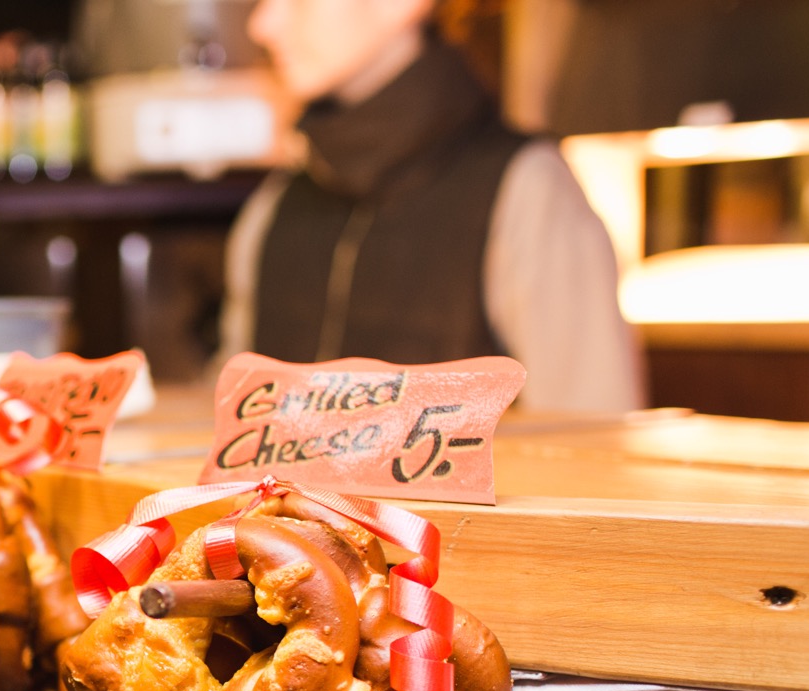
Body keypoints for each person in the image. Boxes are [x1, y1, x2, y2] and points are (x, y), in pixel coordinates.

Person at [222, 0, 644, 411]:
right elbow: (229, 423)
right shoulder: (275, 204)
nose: (263, 24)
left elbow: (593, 438)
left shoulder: (527, 191)